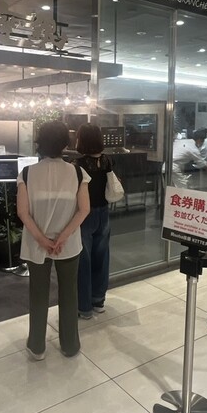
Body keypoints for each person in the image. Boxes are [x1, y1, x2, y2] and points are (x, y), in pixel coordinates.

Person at [17, 121, 90, 360]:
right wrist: (62, 238)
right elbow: (84, 210)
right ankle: (70, 345)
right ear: (65, 143)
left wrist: (43, 240)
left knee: (38, 295)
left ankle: (37, 346)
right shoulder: (77, 173)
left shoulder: (27, 173)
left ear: (40, 142)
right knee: (69, 294)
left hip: (36, 244)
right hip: (68, 244)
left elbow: (23, 213)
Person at [74, 124, 113, 319]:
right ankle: (99, 301)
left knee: (84, 260)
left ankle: (84, 307)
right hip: (103, 212)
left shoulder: (77, 164)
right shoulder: (107, 160)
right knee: (102, 257)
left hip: (84, 215)